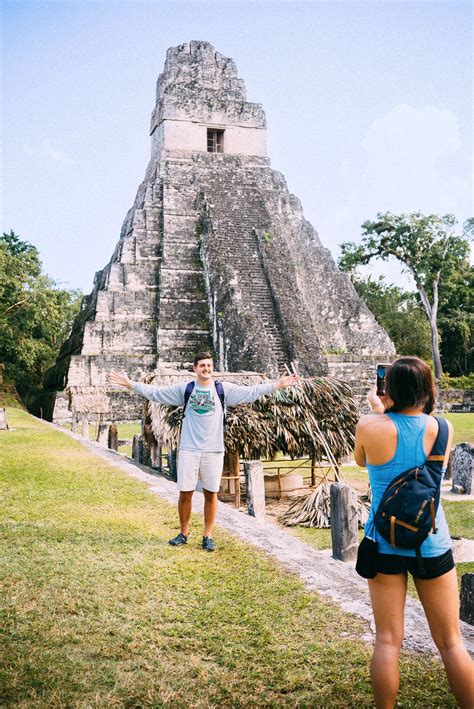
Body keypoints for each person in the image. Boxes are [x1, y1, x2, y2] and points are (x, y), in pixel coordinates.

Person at [354, 356, 473, 709]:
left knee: (388, 641)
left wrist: (378, 411)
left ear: (388, 388)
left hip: (383, 542)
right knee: (451, 642)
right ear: (427, 388)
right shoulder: (443, 429)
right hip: (431, 543)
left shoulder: (368, 426)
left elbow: (361, 460)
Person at [109, 352, 299, 552]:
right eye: (202, 365)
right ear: (195, 369)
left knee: (211, 493)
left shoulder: (222, 389)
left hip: (213, 450)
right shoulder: (186, 389)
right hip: (189, 449)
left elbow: (251, 392)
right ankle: (183, 533)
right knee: (185, 493)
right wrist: (131, 384)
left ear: (212, 368)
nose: (206, 369)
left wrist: (277, 385)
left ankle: (208, 535)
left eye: (209, 365)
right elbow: (156, 393)